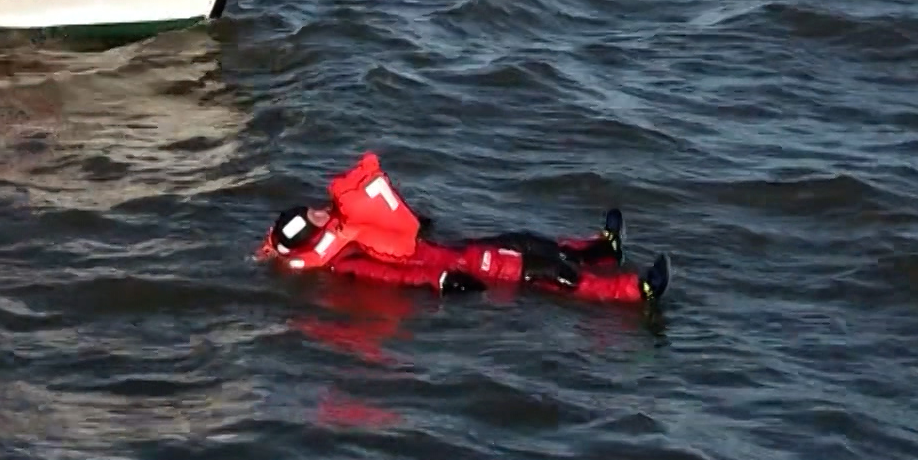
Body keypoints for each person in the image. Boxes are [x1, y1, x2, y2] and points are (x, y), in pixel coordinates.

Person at [257, 151, 671, 309]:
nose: (317, 211)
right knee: (549, 271)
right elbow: (393, 273)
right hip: (467, 267)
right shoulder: (346, 261)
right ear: (312, 239)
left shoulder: (348, 227)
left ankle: (600, 251)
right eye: (311, 218)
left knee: (528, 240)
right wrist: (441, 280)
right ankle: (636, 290)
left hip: (457, 248)